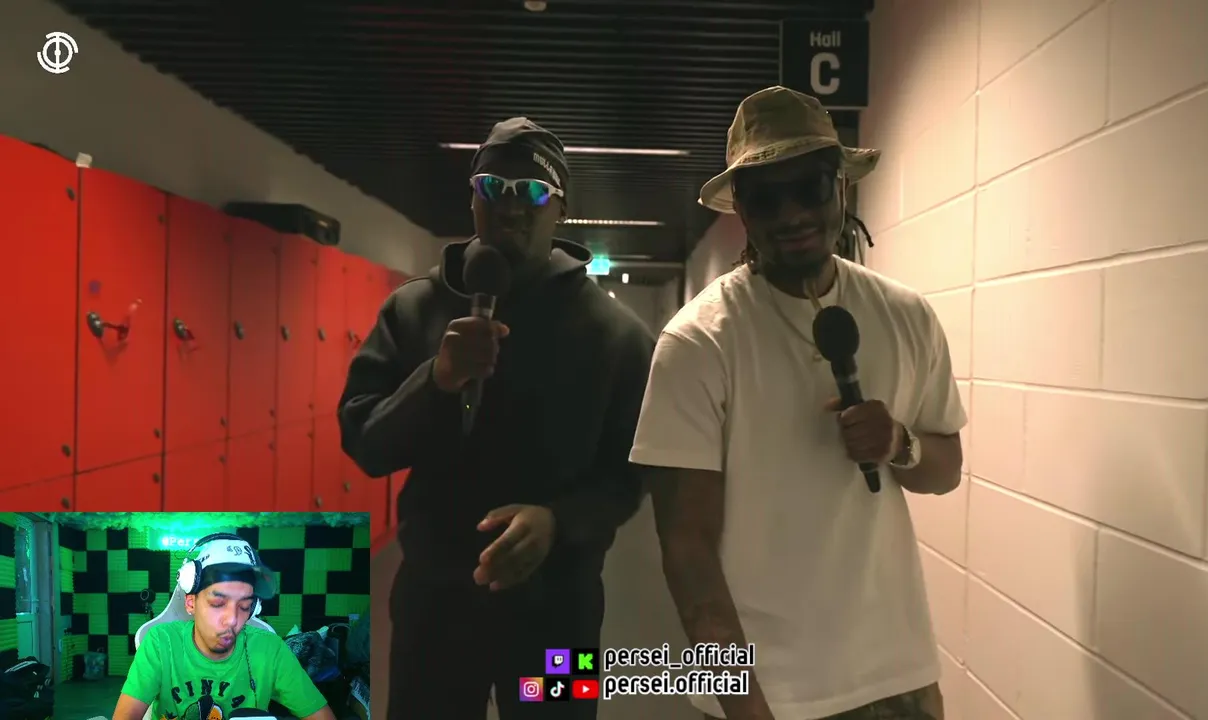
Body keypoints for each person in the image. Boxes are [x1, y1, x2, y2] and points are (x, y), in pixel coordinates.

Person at [630, 86, 966, 720]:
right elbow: (687, 549)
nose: (791, 214)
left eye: (808, 187)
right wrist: (745, 706)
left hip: (899, 680)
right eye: (765, 197)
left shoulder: (907, 316)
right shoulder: (698, 343)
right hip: (769, 694)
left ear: (841, 186)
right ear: (742, 210)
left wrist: (898, 443)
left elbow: (946, 469)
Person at [339, 117, 654, 718]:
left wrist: (558, 521)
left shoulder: (617, 336)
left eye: (532, 191)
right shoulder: (412, 310)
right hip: (435, 608)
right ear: (472, 199)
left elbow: (631, 473)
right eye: (492, 187)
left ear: (561, 208)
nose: (510, 206)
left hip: (561, 614)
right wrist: (435, 381)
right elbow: (365, 442)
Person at [111, 534, 334, 720]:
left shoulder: (271, 650)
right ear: (191, 602)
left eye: (244, 606)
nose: (232, 620)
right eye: (218, 604)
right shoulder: (161, 642)